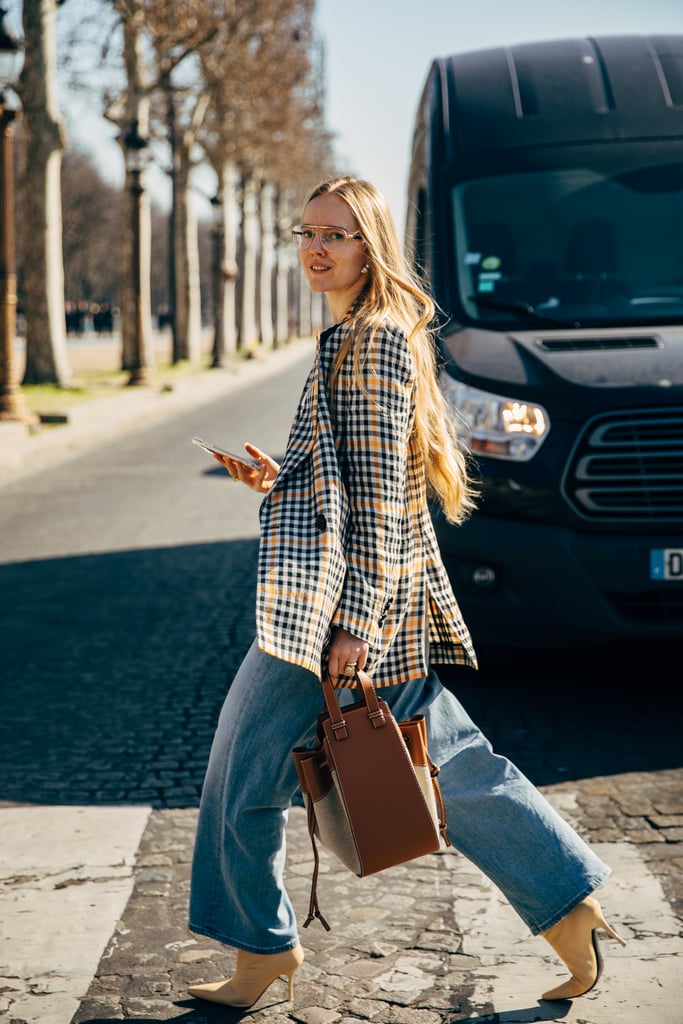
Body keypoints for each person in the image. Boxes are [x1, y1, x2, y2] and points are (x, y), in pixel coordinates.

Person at [186, 176, 626, 1009]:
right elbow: (345, 477)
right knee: (453, 767)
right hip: (372, 598)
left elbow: (389, 494)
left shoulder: (376, 339)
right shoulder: (353, 333)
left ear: (372, 246)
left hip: (338, 609)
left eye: (338, 235)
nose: (317, 247)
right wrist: (275, 477)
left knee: (239, 771)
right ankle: (572, 907)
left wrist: (356, 622)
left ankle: (259, 951)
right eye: (307, 230)